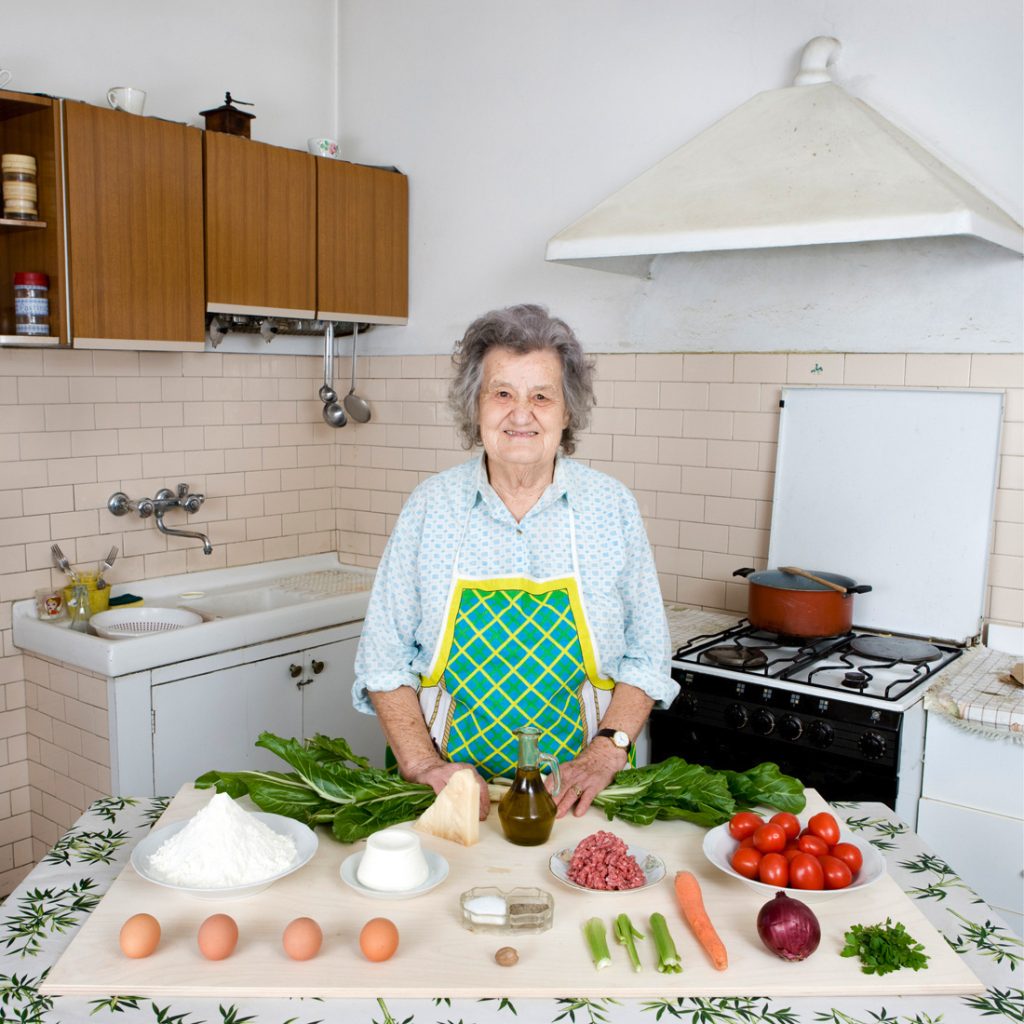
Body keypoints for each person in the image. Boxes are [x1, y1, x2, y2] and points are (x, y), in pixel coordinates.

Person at [352, 304, 676, 819]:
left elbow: (649, 654)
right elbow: (383, 659)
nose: (521, 414)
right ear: (474, 407)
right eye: (502, 393)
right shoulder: (431, 507)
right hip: (449, 800)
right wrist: (421, 764)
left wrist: (604, 752)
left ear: (567, 412)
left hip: (583, 798)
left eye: (541, 397)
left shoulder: (609, 507)